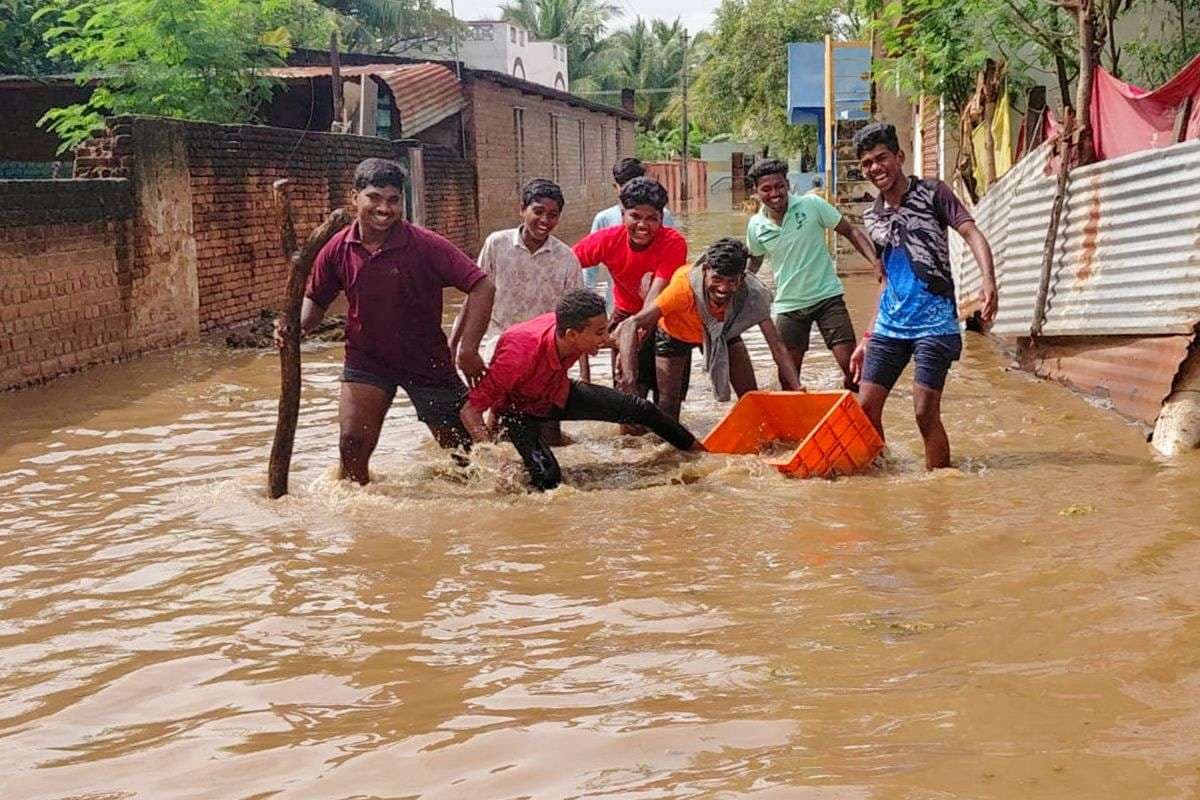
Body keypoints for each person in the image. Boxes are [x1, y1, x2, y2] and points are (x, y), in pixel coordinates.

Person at [277, 158, 495, 485]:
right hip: (367, 359)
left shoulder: (424, 245)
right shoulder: (338, 248)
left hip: (427, 362)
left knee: (466, 459)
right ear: (355, 198)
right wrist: (294, 329)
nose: (384, 208)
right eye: (375, 198)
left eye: (393, 200)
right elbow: (316, 301)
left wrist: (468, 349)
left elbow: (482, 285)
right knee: (351, 448)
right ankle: (361, 525)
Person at [849, 122, 998, 470]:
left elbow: (971, 233)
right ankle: (881, 477)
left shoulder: (933, 192)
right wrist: (868, 335)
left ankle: (939, 487)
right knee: (866, 407)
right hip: (889, 326)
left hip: (935, 323)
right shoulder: (873, 216)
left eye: (881, 158)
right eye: (867, 163)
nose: (875, 168)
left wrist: (988, 280)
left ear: (899, 157)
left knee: (923, 410)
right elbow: (886, 279)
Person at [461, 290, 704, 491]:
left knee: (640, 408)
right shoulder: (518, 356)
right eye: (600, 333)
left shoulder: (574, 332)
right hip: (518, 410)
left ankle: (700, 452)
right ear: (571, 335)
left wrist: (627, 366)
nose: (605, 337)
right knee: (549, 479)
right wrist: (497, 461)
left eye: (605, 329)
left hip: (556, 391)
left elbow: (617, 338)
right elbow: (470, 410)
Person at [449, 178, 585, 445]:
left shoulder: (566, 258)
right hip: (500, 342)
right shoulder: (497, 244)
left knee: (551, 436)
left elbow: (576, 321)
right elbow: (475, 296)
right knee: (498, 417)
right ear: (522, 209)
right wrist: (456, 345)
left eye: (553, 214)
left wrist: (583, 372)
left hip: (546, 349)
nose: (545, 220)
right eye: (538, 211)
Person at [614, 237, 802, 420]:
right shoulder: (683, 288)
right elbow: (632, 324)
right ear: (705, 270)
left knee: (750, 395)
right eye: (717, 279)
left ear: (742, 279)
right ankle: (671, 450)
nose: (723, 289)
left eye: (731, 281)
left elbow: (777, 346)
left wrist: (798, 388)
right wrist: (630, 378)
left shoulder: (753, 295)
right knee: (669, 405)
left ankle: (764, 441)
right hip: (675, 333)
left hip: (723, 332)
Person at [745, 158, 881, 391]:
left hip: (828, 298)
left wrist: (876, 262)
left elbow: (850, 231)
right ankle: (796, 426)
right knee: (788, 380)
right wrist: (739, 288)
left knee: (853, 370)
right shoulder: (756, 226)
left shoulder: (812, 205)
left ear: (787, 184)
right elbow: (755, 261)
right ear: (756, 192)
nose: (775, 193)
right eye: (766, 189)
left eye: (779, 186)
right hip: (789, 306)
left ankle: (848, 416)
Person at [573, 177, 688, 406]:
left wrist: (629, 344)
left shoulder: (673, 243)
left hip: (665, 318)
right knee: (629, 399)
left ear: (661, 219)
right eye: (635, 216)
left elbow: (655, 298)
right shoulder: (607, 240)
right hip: (624, 316)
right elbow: (564, 266)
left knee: (668, 402)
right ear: (622, 213)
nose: (643, 226)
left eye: (652, 219)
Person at [585, 157, 678, 310]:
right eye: (625, 185)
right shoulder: (604, 219)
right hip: (618, 304)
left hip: (657, 303)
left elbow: (669, 259)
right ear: (616, 187)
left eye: (650, 219)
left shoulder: (663, 215)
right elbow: (588, 269)